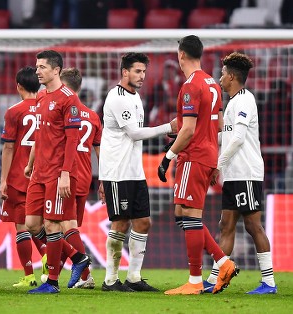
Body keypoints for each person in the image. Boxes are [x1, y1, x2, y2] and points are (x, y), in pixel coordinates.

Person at [157, 35, 239, 295]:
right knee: (182, 213)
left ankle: (194, 281)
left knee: (190, 216)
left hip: (193, 156)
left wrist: (168, 156)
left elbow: (189, 129)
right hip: (206, 154)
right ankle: (223, 262)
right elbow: (216, 123)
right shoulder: (213, 83)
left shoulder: (191, 86)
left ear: (181, 55)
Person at [99, 52, 176, 293]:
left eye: (144, 71)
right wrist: (168, 127)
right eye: (137, 71)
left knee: (143, 222)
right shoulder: (117, 97)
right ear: (125, 72)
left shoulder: (136, 97)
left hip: (135, 171)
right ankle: (110, 280)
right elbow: (134, 133)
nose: (142, 76)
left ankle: (133, 276)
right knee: (120, 223)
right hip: (117, 172)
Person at [203, 52, 277, 294]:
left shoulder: (245, 100)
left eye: (223, 74)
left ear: (232, 76)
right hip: (234, 175)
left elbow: (238, 138)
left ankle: (269, 282)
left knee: (253, 226)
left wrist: (218, 164)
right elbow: (226, 136)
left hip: (246, 172)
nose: (220, 78)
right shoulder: (233, 102)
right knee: (226, 225)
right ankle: (217, 277)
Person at [24, 50, 91, 294]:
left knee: (53, 225)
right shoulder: (41, 96)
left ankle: (51, 282)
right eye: (36, 66)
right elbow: (40, 136)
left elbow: (72, 140)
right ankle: (76, 255)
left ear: (56, 70)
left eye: (42, 67)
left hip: (57, 174)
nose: (38, 71)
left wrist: (65, 174)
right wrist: (31, 164)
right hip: (39, 172)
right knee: (32, 224)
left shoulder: (68, 99)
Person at [0, 66, 47, 288]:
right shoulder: (47, 107)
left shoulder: (14, 111)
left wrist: (3, 180)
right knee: (40, 225)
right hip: (43, 174)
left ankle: (29, 276)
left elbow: (9, 148)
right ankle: (48, 259)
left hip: (19, 176)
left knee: (21, 227)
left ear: (18, 86)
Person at [59, 67, 102, 289]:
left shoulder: (62, 110)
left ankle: (85, 274)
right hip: (86, 176)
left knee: (63, 226)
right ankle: (67, 275)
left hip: (66, 174)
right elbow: (99, 152)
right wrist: (103, 179)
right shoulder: (93, 116)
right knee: (70, 227)